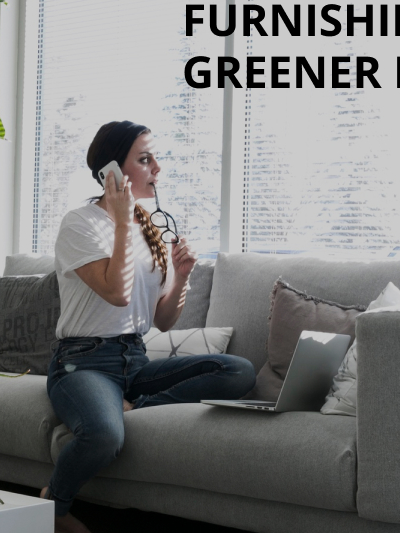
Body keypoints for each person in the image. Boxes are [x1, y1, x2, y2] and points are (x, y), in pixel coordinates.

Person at [39, 121, 256, 533]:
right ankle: (54, 505)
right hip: (82, 364)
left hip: (134, 359)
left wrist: (182, 275)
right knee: (104, 436)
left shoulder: (148, 227)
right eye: (144, 158)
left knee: (237, 371)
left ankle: (134, 408)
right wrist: (122, 221)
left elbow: (162, 319)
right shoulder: (80, 224)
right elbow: (117, 294)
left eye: (155, 157)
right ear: (111, 173)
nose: (157, 166)